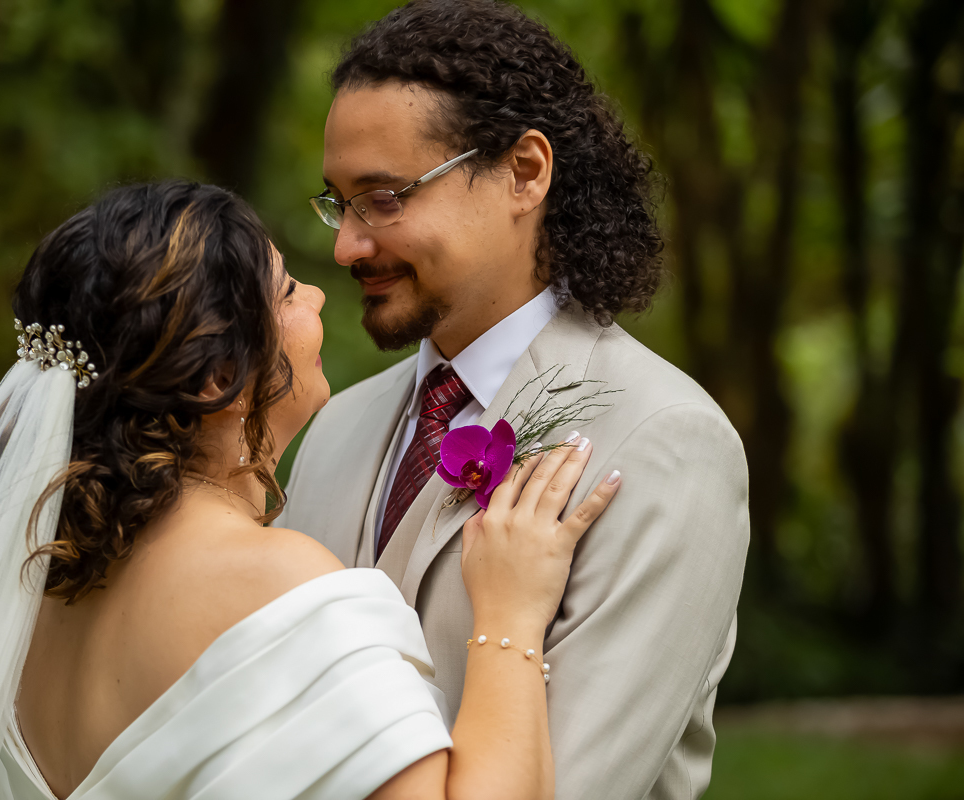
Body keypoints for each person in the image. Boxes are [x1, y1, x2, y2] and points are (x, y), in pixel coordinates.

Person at [0, 180, 622, 800]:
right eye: (285, 294)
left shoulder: (30, 608)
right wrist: (511, 615)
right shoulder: (283, 587)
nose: (317, 298)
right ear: (221, 379)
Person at [277, 2, 750, 797]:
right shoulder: (335, 426)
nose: (346, 245)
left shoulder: (665, 439)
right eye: (338, 202)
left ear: (525, 172)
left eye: (385, 197)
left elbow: (575, 782)